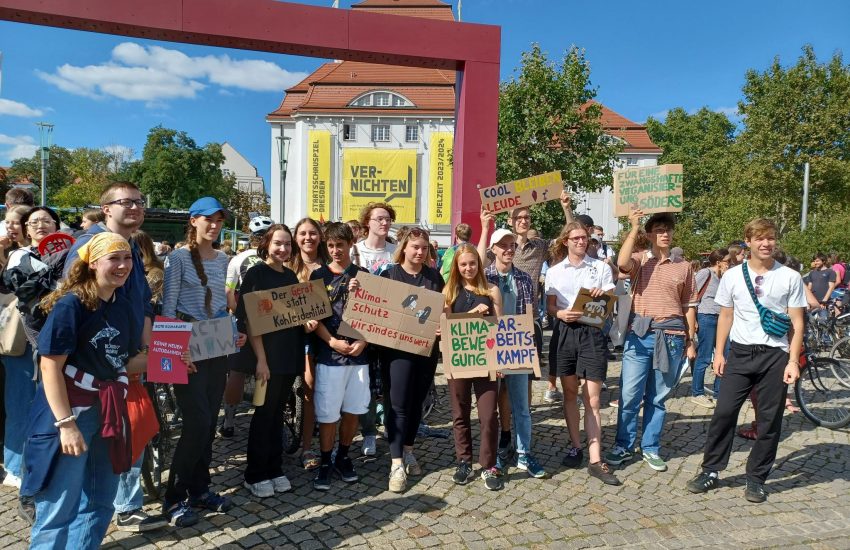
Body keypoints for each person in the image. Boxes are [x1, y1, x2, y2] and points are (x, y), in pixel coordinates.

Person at [25, 233, 141, 549]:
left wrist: (175, 358)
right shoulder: (71, 305)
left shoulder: (124, 306)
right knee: (57, 510)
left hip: (107, 412)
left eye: (127, 258)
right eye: (113, 259)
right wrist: (66, 425)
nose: (122, 265)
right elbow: (50, 366)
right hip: (69, 413)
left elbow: (126, 361)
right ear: (92, 263)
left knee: (100, 502)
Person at [63, 182, 164, 533]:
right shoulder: (88, 246)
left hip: (123, 366)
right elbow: (74, 310)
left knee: (127, 439)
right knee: (84, 472)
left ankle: (121, 508)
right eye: (126, 202)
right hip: (91, 379)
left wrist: (150, 351)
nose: (135, 207)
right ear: (106, 208)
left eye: (139, 201)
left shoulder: (131, 249)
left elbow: (140, 307)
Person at [687, 218, 805, 503]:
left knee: (768, 421)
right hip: (739, 353)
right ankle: (711, 470)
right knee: (724, 413)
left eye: (771, 238)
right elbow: (725, 315)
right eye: (760, 238)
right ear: (748, 242)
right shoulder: (733, 276)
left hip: (775, 356)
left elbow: (797, 323)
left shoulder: (790, 276)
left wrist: (792, 361)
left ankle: (756, 479)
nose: (766, 243)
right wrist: (718, 353)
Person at [161, 197, 247, 526]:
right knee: (195, 423)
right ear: (193, 220)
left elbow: (219, 309)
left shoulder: (223, 258)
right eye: (207, 219)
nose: (214, 225)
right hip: (185, 349)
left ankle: (200, 489)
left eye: (219, 220)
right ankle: (173, 498)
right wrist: (173, 352)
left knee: (209, 422)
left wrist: (233, 333)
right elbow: (168, 307)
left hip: (214, 345)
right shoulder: (178, 258)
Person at [605, 210, 697, 473]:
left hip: (672, 337)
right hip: (640, 335)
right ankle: (623, 445)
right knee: (629, 394)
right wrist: (633, 226)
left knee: (658, 397)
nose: (665, 234)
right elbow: (621, 262)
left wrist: (690, 340)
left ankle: (650, 447)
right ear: (649, 235)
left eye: (667, 229)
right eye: (658, 230)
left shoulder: (684, 266)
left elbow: (688, 305)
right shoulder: (640, 260)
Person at [545, 221, 619, 485]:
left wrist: (602, 295)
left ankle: (596, 458)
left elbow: (610, 303)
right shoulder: (554, 271)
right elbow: (551, 306)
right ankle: (576, 446)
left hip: (591, 333)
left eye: (584, 238)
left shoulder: (600, 267)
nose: (581, 242)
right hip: (565, 332)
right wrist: (560, 314)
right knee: (569, 394)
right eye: (576, 238)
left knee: (593, 399)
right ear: (566, 241)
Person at [235, 224, 305, 498]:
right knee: (263, 414)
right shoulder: (256, 273)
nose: (283, 249)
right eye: (278, 243)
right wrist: (261, 360)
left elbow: (295, 314)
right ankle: (254, 474)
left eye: (287, 244)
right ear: (266, 243)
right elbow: (251, 320)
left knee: (278, 414)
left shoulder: (289, 275)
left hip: (288, 356)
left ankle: (274, 468)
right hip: (266, 357)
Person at [477, 215, 547, 480]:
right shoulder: (484, 278)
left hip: (518, 348)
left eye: (511, 245)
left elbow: (529, 316)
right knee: (490, 406)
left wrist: (530, 349)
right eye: (502, 245)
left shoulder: (525, 279)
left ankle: (524, 453)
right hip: (490, 349)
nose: (508, 249)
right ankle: (493, 455)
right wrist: (485, 228)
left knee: (522, 406)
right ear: (493, 249)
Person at [380, 228, 444, 493]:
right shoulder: (389, 274)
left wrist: (442, 325)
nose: (419, 252)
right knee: (398, 405)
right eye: (415, 247)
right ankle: (395, 463)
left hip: (426, 350)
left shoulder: (434, 277)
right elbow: (378, 309)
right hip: (396, 352)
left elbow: (442, 310)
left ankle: (408, 450)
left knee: (417, 402)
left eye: (424, 248)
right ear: (404, 247)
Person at [309, 222, 370, 491]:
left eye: (340, 245)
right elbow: (313, 318)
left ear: (350, 245)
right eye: (330, 246)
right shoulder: (318, 277)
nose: (335, 251)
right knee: (327, 413)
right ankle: (324, 461)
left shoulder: (364, 275)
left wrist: (363, 341)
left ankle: (343, 456)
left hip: (358, 355)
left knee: (354, 410)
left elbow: (377, 315)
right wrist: (332, 341)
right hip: (329, 354)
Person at [443, 244, 504, 491]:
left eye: (472, 263)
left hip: (487, 360)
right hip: (459, 361)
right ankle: (464, 460)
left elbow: (501, 328)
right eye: (463, 264)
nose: (468, 268)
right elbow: (446, 328)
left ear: (479, 265)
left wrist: (501, 360)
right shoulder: (449, 291)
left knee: (489, 415)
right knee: (460, 414)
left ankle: (488, 464)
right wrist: (471, 313)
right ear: (456, 267)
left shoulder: (492, 290)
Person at [220, 215, 274, 439]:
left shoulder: (237, 259)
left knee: (237, 371)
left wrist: (237, 314)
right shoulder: (274, 258)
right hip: (269, 320)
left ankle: (229, 419)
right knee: (265, 368)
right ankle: (260, 416)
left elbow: (229, 293)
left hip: (241, 321)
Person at [353, 202, 397, 456]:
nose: (384, 223)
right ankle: (368, 431)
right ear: (367, 222)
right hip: (362, 327)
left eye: (388, 219)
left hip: (390, 326)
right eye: (379, 218)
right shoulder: (354, 251)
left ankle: (391, 427)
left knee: (392, 381)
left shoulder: (397, 251)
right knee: (365, 383)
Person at [288, 217, 330, 471]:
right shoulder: (288, 266)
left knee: (311, 388)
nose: (308, 238)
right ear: (296, 237)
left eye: (313, 233)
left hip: (321, 334)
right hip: (291, 333)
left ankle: (308, 446)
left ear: (320, 237)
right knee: (299, 388)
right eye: (303, 233)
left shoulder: (328, 265)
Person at [0, 205, 34, 489]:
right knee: (19, 401)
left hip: (34, 337)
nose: (11, 228)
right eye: (8, 222)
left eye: (17, 223)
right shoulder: (16, 256)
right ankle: (14, 464)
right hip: (17, 339)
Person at [690, 248, 730, 408]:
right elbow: (692, 295)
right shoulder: (705, 273)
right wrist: (693, 320)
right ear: (719, 262)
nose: (730, 264)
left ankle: (719, 392)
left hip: (721, 319)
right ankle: (697, 392)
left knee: (725, 355)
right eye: (727, 261)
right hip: (706, 317)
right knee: (704, 357)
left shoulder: (724, 278)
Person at [803, 253, 837, 320]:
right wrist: (807, 301)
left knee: (823, 322)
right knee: (811, 324)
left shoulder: (830, 272)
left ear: (823, 261)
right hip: (813, 303)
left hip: (824, 303)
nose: (815, 263)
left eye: (817, 261)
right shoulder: (812, 273)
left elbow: (831, 287)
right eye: (814, 261)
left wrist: (824, 301)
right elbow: (809, 287)